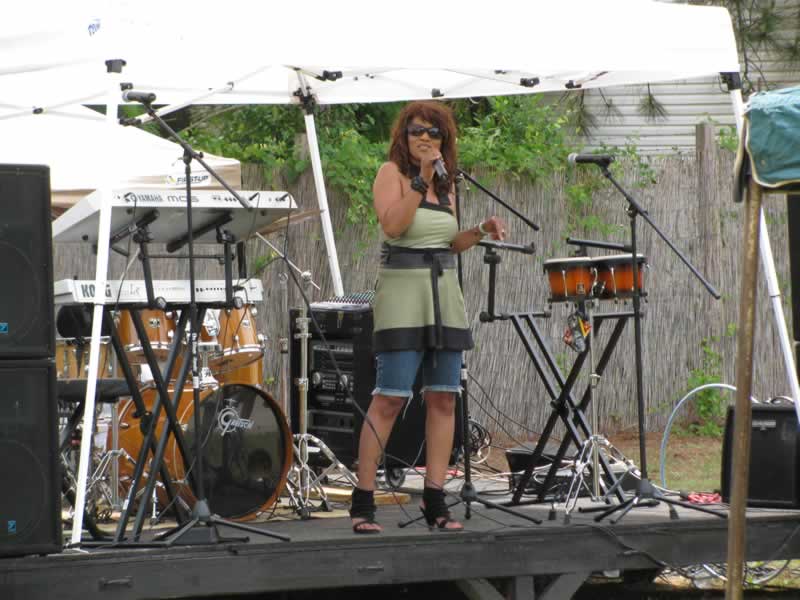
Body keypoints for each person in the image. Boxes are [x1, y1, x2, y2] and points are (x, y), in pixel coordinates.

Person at [349, 101, 506, 533]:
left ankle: (436, 500)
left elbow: (448, 242)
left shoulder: (447, 185)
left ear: (444, 141)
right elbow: (394, 226)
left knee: (443, 398)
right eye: (417, 131)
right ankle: (363, 501)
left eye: (434, 133)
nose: (425, 138)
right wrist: (419, 181)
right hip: (403, 294)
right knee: (390, 398)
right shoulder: (392, 175)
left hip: (444, 295)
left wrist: (479, 231)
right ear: (404, 137)